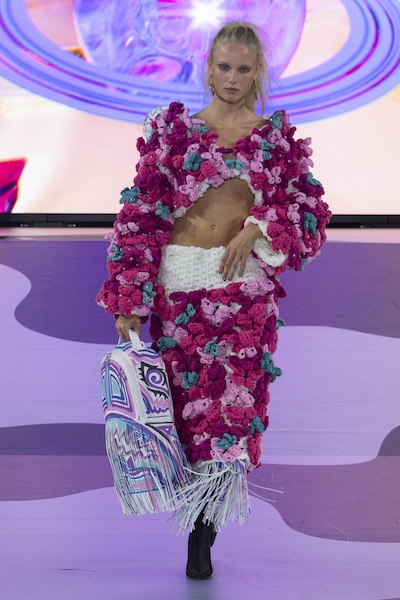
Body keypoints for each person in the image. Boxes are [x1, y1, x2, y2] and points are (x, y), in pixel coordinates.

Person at [97, 21, 331, 579]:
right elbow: (141, 214)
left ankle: (201, 537)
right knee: (181, 413)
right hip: (179, 295)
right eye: (224, 67)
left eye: (243, 69)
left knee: (228, 418)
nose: (232, 78)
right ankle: (193, 517)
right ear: (208, 68)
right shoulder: (173, 132)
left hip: (243, 296)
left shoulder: (275, 140)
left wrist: (258, 226)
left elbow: (308, 212)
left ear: (258, 73)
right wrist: (130, 295)